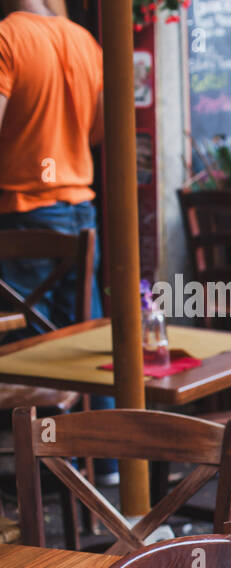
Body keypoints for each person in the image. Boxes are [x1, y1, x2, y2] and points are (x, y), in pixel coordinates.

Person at [0, 0, 104, 331]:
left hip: (26, 213)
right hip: (80, 211)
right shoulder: (83, 40)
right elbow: (101, 130)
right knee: (79, 342)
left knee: (30, 350)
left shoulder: (7, 37)